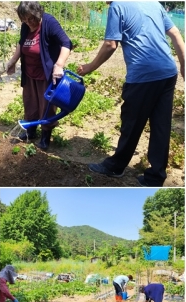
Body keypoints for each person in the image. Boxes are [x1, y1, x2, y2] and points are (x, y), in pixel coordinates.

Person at [77, 2, 185, 187]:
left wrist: (89, 67)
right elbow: (175, 34)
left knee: (132, 122)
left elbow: (111, 44)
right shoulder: (153, 3)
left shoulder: (117, 6)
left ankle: (115, 166)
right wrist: (183, 64)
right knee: (161, 126)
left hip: (144, 75)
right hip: (168, 71)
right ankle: (155, 177)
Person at [6, 1, 72, 150]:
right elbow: (21, 43)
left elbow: (66, 43)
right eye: (25, 20)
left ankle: (45, 137)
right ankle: (30, 132)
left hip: (46, 73)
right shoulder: (26, 26)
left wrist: (59, 64)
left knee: (46, 106)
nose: (29, 23)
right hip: (29, 73)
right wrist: (13, 60)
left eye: (31, 19)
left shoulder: (49, 22)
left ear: (38, 13)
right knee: (30, 102)